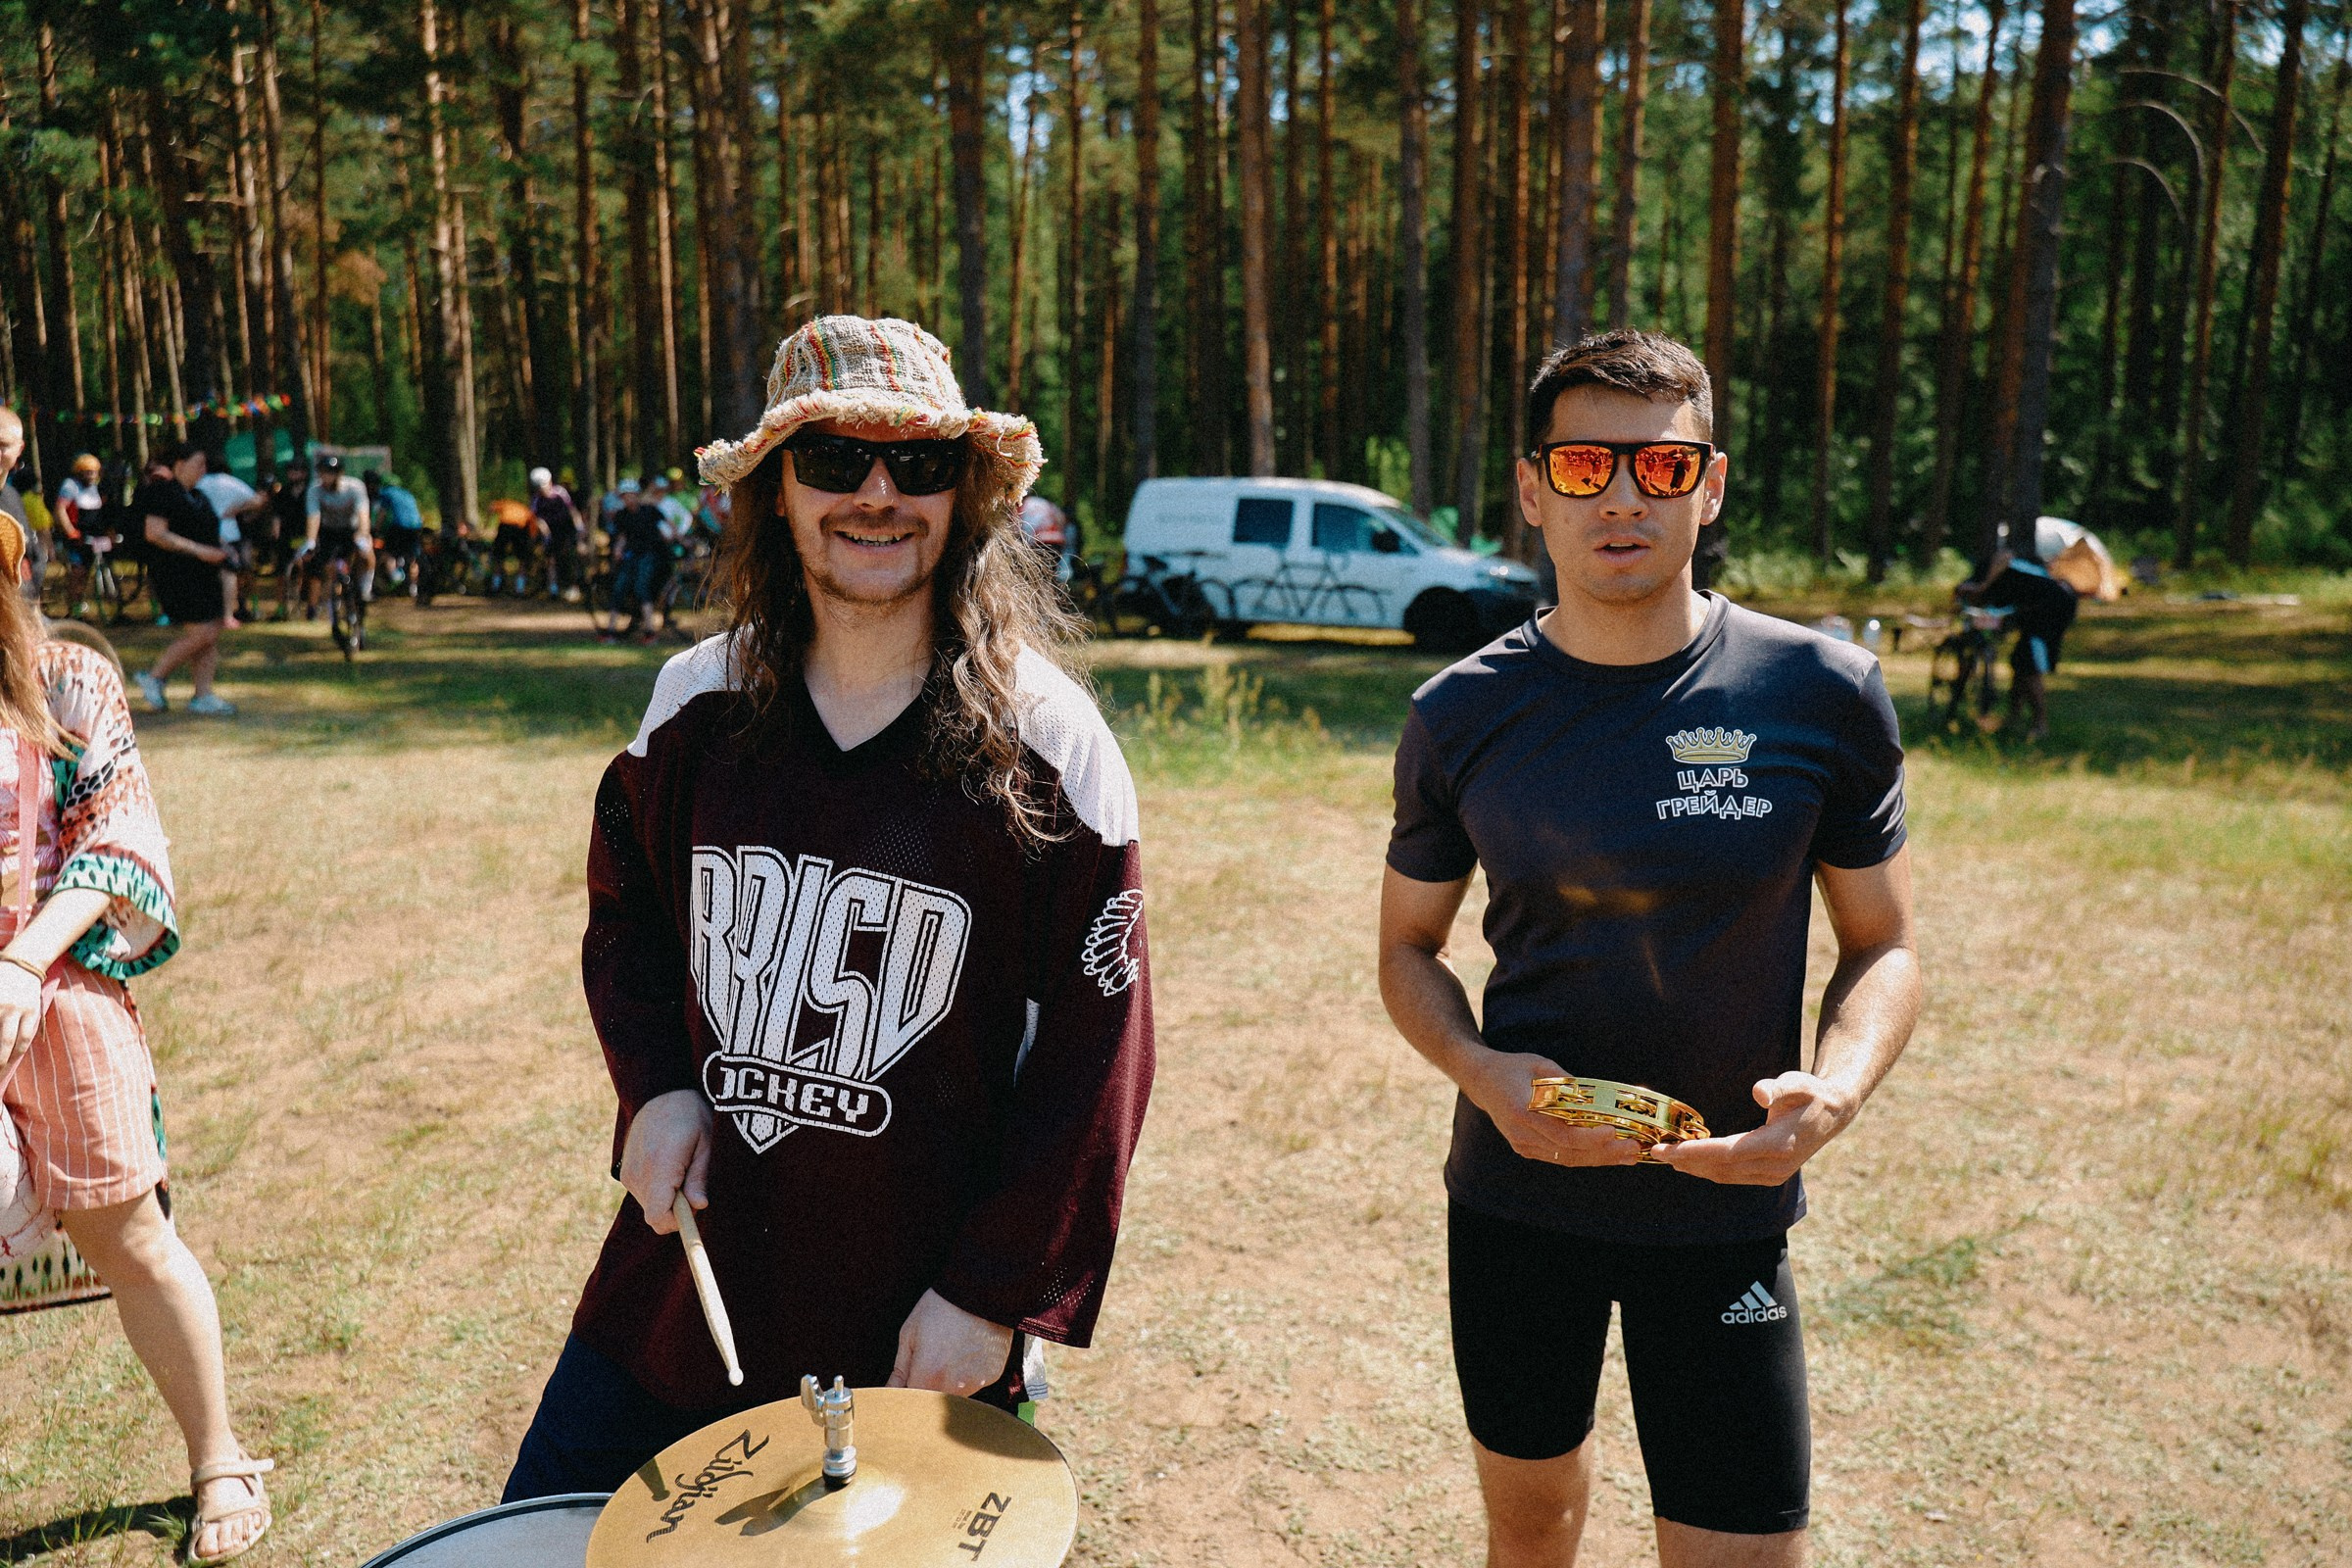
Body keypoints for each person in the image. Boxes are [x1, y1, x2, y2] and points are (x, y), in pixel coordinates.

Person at [505, 314, 1155, 1499]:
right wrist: (654, 1084)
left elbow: (1094, 1062)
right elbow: (627, 910)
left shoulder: (1049, 747)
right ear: (775, 491)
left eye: (919, 463)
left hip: (915, 1325)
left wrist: (990, 1294)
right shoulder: (695, 703)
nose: (877, 494)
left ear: (967, 495)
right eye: (834, 458)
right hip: (681, 1299)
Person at [1379, 330, 1920, 1568]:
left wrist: (1837, 1089)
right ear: (1534, 490)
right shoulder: (1459, 711)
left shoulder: (1823, 691)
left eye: (1661, 467)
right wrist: (1478, 1071)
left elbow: (1883, 943)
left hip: (1726, 1210)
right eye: (1585, 465)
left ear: (1709, 486)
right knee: (1531, 1534)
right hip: (1518, 1202)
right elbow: (1409, 948)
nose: (1622, 496)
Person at [0, 507, 272, 1563]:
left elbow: (117, 833)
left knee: (132, 1237)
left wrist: (24, 963)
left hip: (58, 988)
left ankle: (218, 1457)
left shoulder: (68, 680)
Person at [132, 445, 238, 717]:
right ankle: (154, 677)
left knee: (210, 633)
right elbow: (155, 533)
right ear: (179, 464)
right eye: (198, 464)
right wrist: (200, 551)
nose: (203, 470)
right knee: (202, 633)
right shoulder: (162, 493)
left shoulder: (199, 496)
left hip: (206, 574)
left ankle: (203, 695)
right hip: (177, 574)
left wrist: (223, 548)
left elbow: (207, 529)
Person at [1956, 542, 2078, 743]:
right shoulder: (2005, 578)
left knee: (2030, 668)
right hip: (2043, 608)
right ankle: (2014, 717)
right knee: (2019, 663)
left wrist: (1979, 588)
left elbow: (2003, 558)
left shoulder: (1993, 575)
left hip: (2051, 610)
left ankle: (2040, 724)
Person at [192, 455, 266, 626]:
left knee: (204, 575)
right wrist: (237, 509)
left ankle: (205, 615)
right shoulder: (231, 482)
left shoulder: (199, 483)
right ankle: (228, 615)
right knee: (229, 574)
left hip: (204, 533)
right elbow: (258, 500)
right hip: (229, 531)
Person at [298, 454, 374, 612]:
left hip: (351, 529)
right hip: (329, 531)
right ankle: (331, 601)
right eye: (322, 472)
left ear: (339, 473)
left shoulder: (355, 488)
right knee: (327, 566)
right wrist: (310, 541)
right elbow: (313, 517)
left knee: (366, 556)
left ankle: (365, 589)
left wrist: (362, 537)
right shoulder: (315, 490)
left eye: (330, 472)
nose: (325, 476)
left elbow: (363, 515)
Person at [600, 478, 671, 644]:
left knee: (641, 588)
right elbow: (622, 536)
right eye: (625, 496)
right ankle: (611, 630)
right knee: (619, 588)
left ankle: (650, 631)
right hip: (631, 556)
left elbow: (667, 524)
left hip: (649, 555)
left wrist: (677, 538)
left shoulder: (649, 511)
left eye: (631, 495)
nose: (629, 499)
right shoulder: (622, 515)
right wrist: (618, 550)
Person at [363, 470, 425, 594]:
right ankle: (413, 587)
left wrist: (375, 529)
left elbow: (382, 513)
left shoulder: (386, 493)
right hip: (416, 527)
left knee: (388, 553)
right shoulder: (407, 493)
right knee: (412, 557)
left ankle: (396, 577)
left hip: (400, 526)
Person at [530, 466, 583, 601]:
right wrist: (543, 529)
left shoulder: (560, 493)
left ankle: (574, 587)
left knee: (570, 557)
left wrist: (579, 528)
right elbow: (536, 518)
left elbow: (572, 511)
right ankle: (553, 588)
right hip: (550, 533)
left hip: (566, 530)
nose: (543, 490)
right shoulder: (537, 499)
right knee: (551, 560)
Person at [487, 495, 541, 597]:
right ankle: (520, 589)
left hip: (505, 526)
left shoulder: (506, 503)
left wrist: (487, 522)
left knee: (499, 557)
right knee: (522, 559)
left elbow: (491, 507)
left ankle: (495, 586)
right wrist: (531, 542)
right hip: (520, 528)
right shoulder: (526, 510)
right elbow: (533, 529)